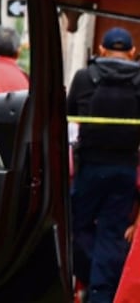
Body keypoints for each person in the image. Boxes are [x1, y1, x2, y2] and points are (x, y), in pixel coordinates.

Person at [68, 27, 140, 303]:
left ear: (101, 49)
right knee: (111, 234)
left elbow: (70, 114)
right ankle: (101, 295)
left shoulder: (85, 77)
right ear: (132, 52)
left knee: (75, 225)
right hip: (124, 169)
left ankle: (81, 277)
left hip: (90, 167)